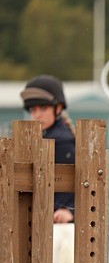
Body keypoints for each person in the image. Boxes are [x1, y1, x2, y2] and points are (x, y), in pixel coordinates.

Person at [20, 75, 75, 223]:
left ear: (58, 108)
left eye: (43, 108)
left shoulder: (62, 141)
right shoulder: (41, 137)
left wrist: (69, 209)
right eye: (33, 109)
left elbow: (77, 180)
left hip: (57, 222)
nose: (37, 115)